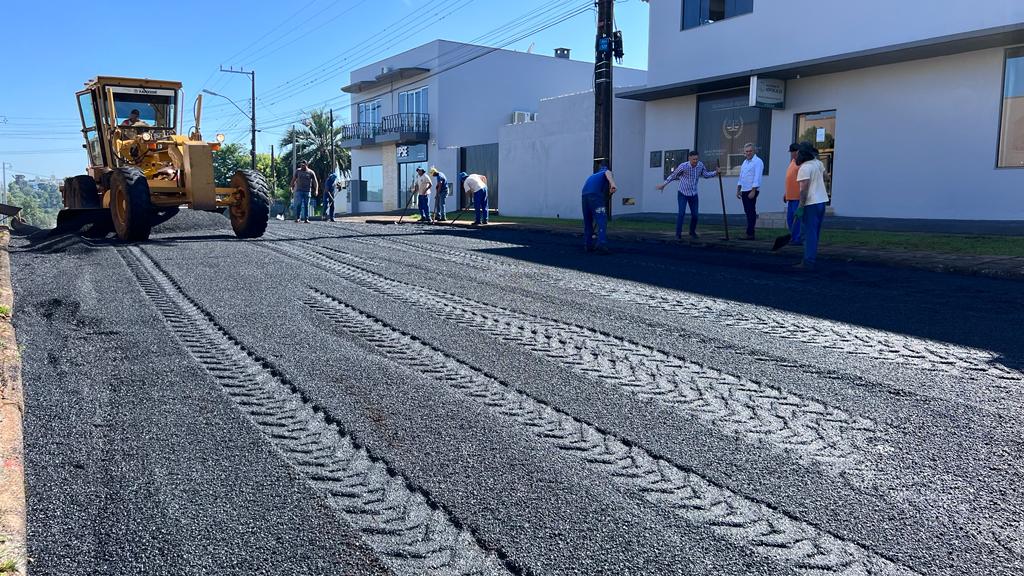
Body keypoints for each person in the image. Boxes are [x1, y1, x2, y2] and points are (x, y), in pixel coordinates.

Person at [656, 150, 717, 239]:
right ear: (689, 158)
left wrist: (715, 172)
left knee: (695, 215)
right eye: (693, 160)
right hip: (683, 193)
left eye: (696, 159)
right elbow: (673, 175)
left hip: (693, 194)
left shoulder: (700, 165)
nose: (695, 161)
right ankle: (678, 234)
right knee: (681, 213)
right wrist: (664, 184)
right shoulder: (683, 166)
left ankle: (692, 232)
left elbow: (706, 175)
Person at [794, 145, 829, 270]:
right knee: (814, 233)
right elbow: (827, 177)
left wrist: (800, 206)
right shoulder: (818, 163)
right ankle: (811, 258)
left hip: (811, 203)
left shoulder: (804, 168)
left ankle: (808, 261)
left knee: (809, 233)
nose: (796, 156)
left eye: (798, 153)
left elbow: (804, 189)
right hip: (822, 201)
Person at [581, 165, 617, 254]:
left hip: (584, 196)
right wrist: (613, 184)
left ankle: (588, 245)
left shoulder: (592, 176)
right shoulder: (606, 172)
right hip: (595, 195)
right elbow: (608, 173)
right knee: (602, 219)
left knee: (588, 221)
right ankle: (601, 244)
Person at [736, 143, 764, 240]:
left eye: (750, 151)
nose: (748, 153)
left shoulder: (758, 162)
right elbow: (741, 176)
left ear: (754, 151)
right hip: (744, 190)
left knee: (751, 211)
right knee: (747, 211)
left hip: (752, 190)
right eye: (746, 151)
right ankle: (749, 232)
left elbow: (757, 177)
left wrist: (753, 190)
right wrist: (738, 189)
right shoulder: (745, 162)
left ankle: (750, 234)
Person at [784, 143, 803, 245]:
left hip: (797, 196)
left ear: (798, 151)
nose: (792, 154)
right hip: (790, 196)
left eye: (793, 152)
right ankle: (793, 236)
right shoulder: (792, 162)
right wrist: (786, 193)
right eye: (791, 152)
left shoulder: (801, 163)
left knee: (797, 219)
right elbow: (790, 178)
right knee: (790, 218)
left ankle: (797, 238)